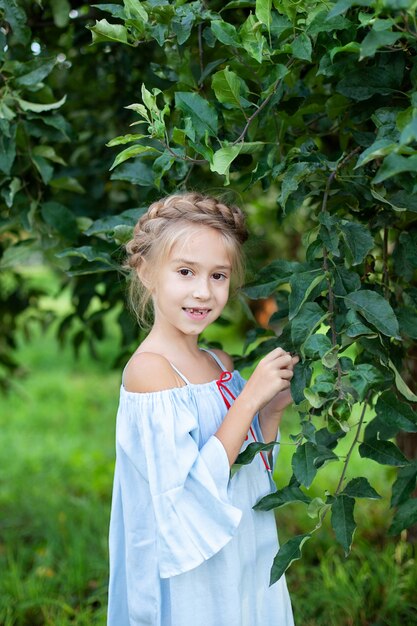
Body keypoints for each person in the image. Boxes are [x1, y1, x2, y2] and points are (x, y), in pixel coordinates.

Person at [107, 192, 297, 626]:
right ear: (147, 272)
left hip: (241, 549)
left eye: (218, 275)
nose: (202, 291)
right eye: (185, 272)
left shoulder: (219, 364)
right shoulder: (150, 373)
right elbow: (185, 497)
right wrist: (248, 400)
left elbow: (247, 474)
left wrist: (269, 411)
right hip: (192, 573)